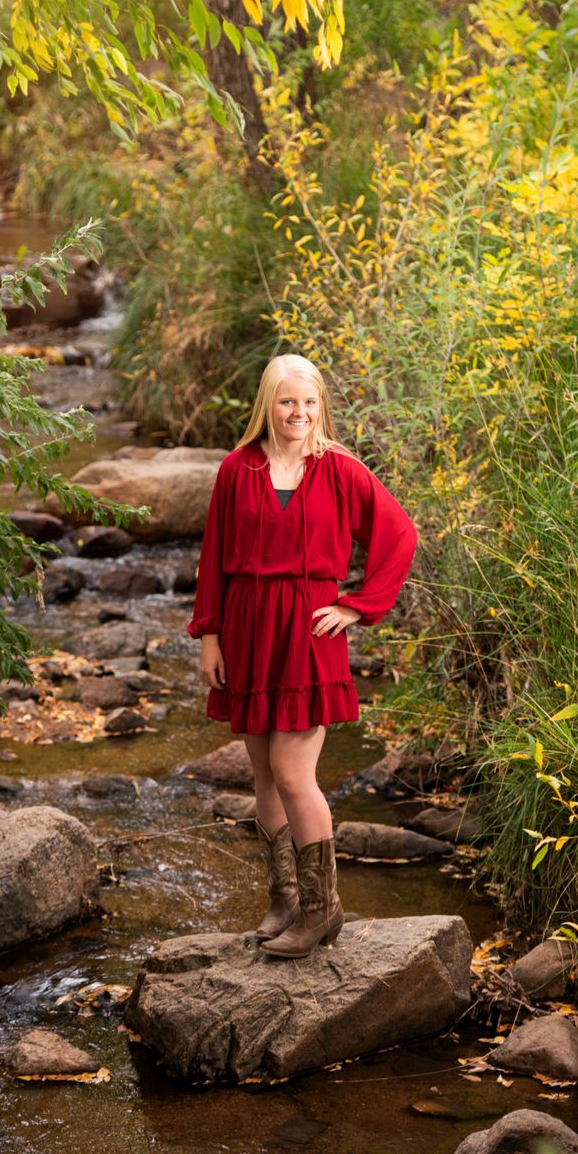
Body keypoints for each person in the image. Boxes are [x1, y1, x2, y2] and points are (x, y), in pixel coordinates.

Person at [187, 353, 418, 959]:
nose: (300, 413)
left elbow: (400, 536)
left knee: (294, 773)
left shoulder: (340, 469)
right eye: (288, 402)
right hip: (247, 626)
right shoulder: (237, 469)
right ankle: (286, 899)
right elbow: (213, 558)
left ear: (322, 406)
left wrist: (357, 606)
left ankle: (323, 910)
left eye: (310, 402)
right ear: (268, 404)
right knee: (262, 771)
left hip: (308, 631)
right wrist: (210, 635)